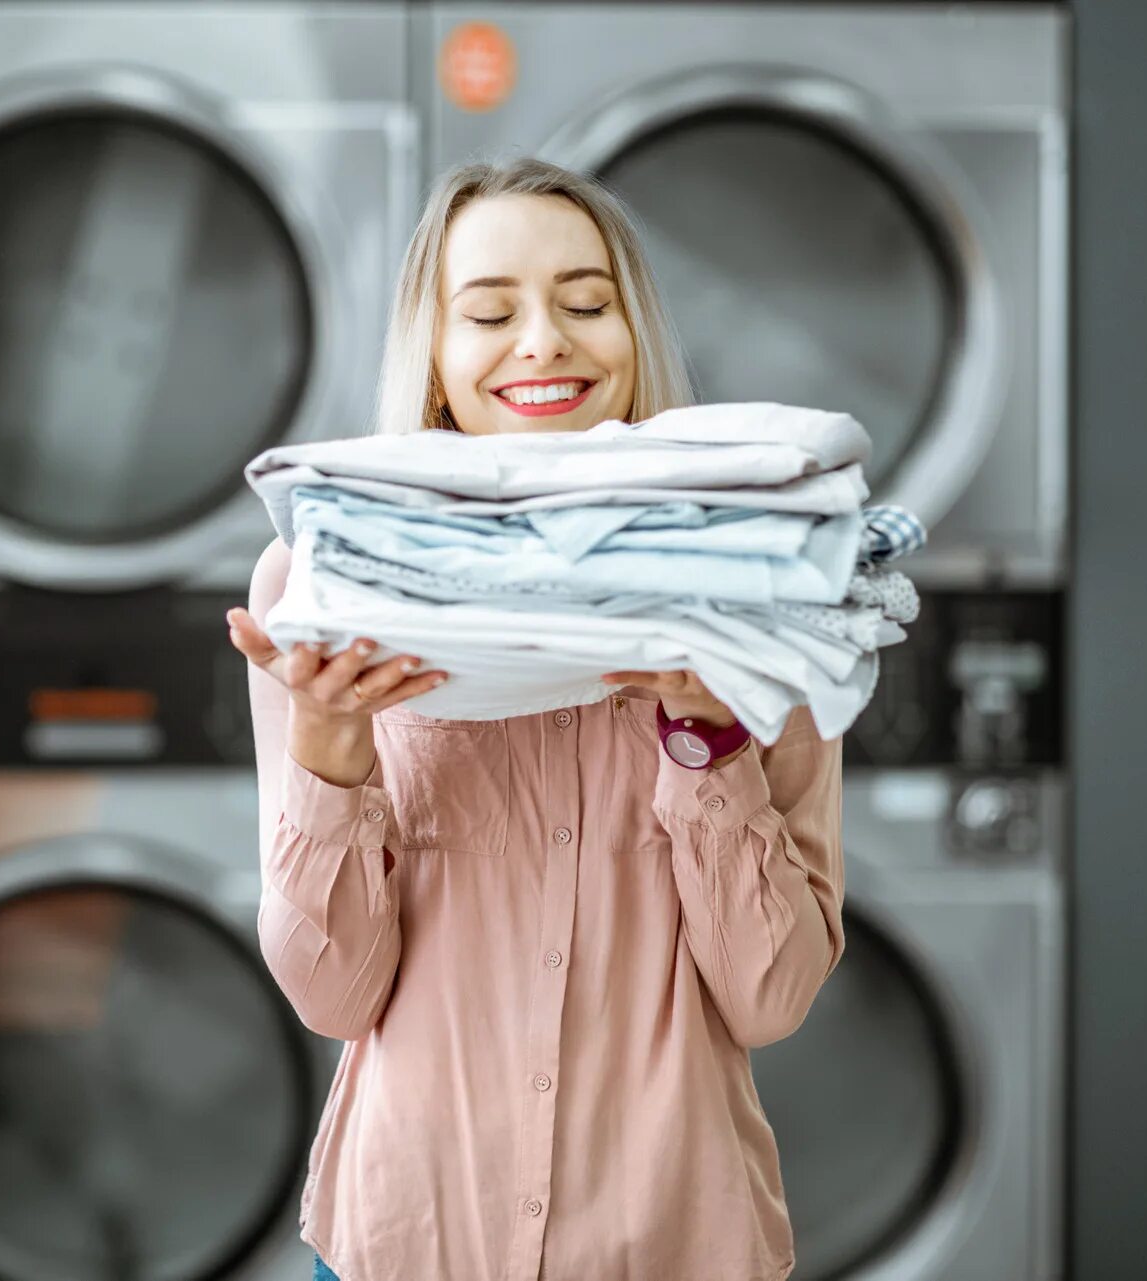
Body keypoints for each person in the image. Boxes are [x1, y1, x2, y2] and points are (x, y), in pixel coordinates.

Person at [225, 158, 844, 1281]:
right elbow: (333, 992)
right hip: (406, 1240)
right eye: (491, 312)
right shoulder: (327, 587)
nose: (544, 341)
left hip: (669, 1243)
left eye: (585, 303)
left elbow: (771, 994)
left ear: (633, 332)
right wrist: (329, 748)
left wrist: (709, 740)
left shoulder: (760, 587)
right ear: (437, 358)